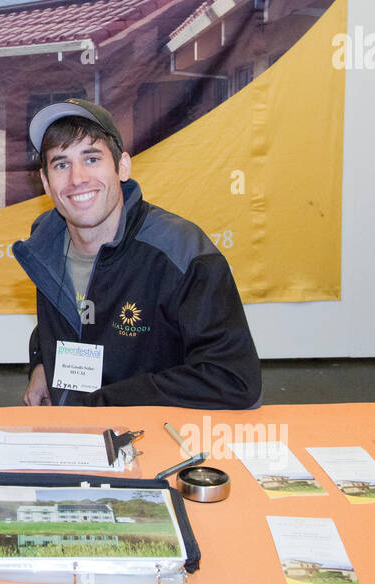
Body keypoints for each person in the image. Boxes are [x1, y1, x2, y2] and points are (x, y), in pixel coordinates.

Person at [14, 98, 261, 408]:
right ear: (47, 184)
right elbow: (75, 316)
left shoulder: (182, 251)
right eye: (61, 164)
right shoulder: (46, 244)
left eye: (91, 159)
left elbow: (234, 380)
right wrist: (40, 362)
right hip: (72, 432)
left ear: (122, 167)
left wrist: (104, 402)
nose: (77, 178)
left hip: (161, 440)